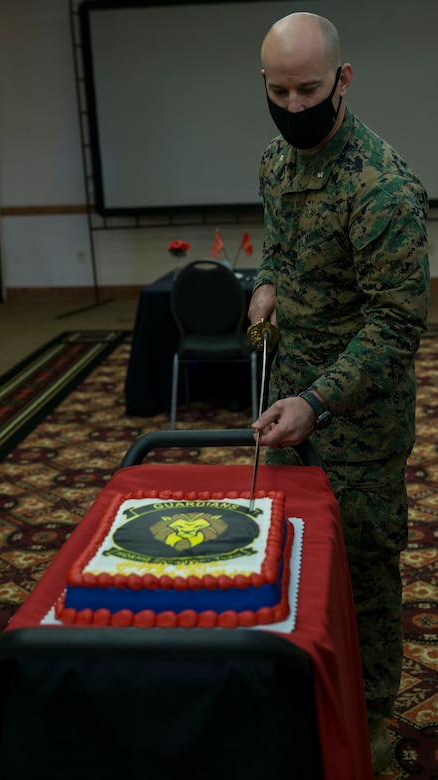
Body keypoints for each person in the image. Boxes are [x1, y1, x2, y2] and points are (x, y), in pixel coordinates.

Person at [248, 11, 429, 775]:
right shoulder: (274, 163)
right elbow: (281, 249)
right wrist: (264, 285)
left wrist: (317, 402)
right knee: (295, 565)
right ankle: (304, 687)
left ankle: (374, 715)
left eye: (310, 90)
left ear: (342, 80)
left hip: (355, 424)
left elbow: (394, 329)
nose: (295, 108)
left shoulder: (381, 188)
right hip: (292, 411)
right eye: (279, 91)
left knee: (361, 577)